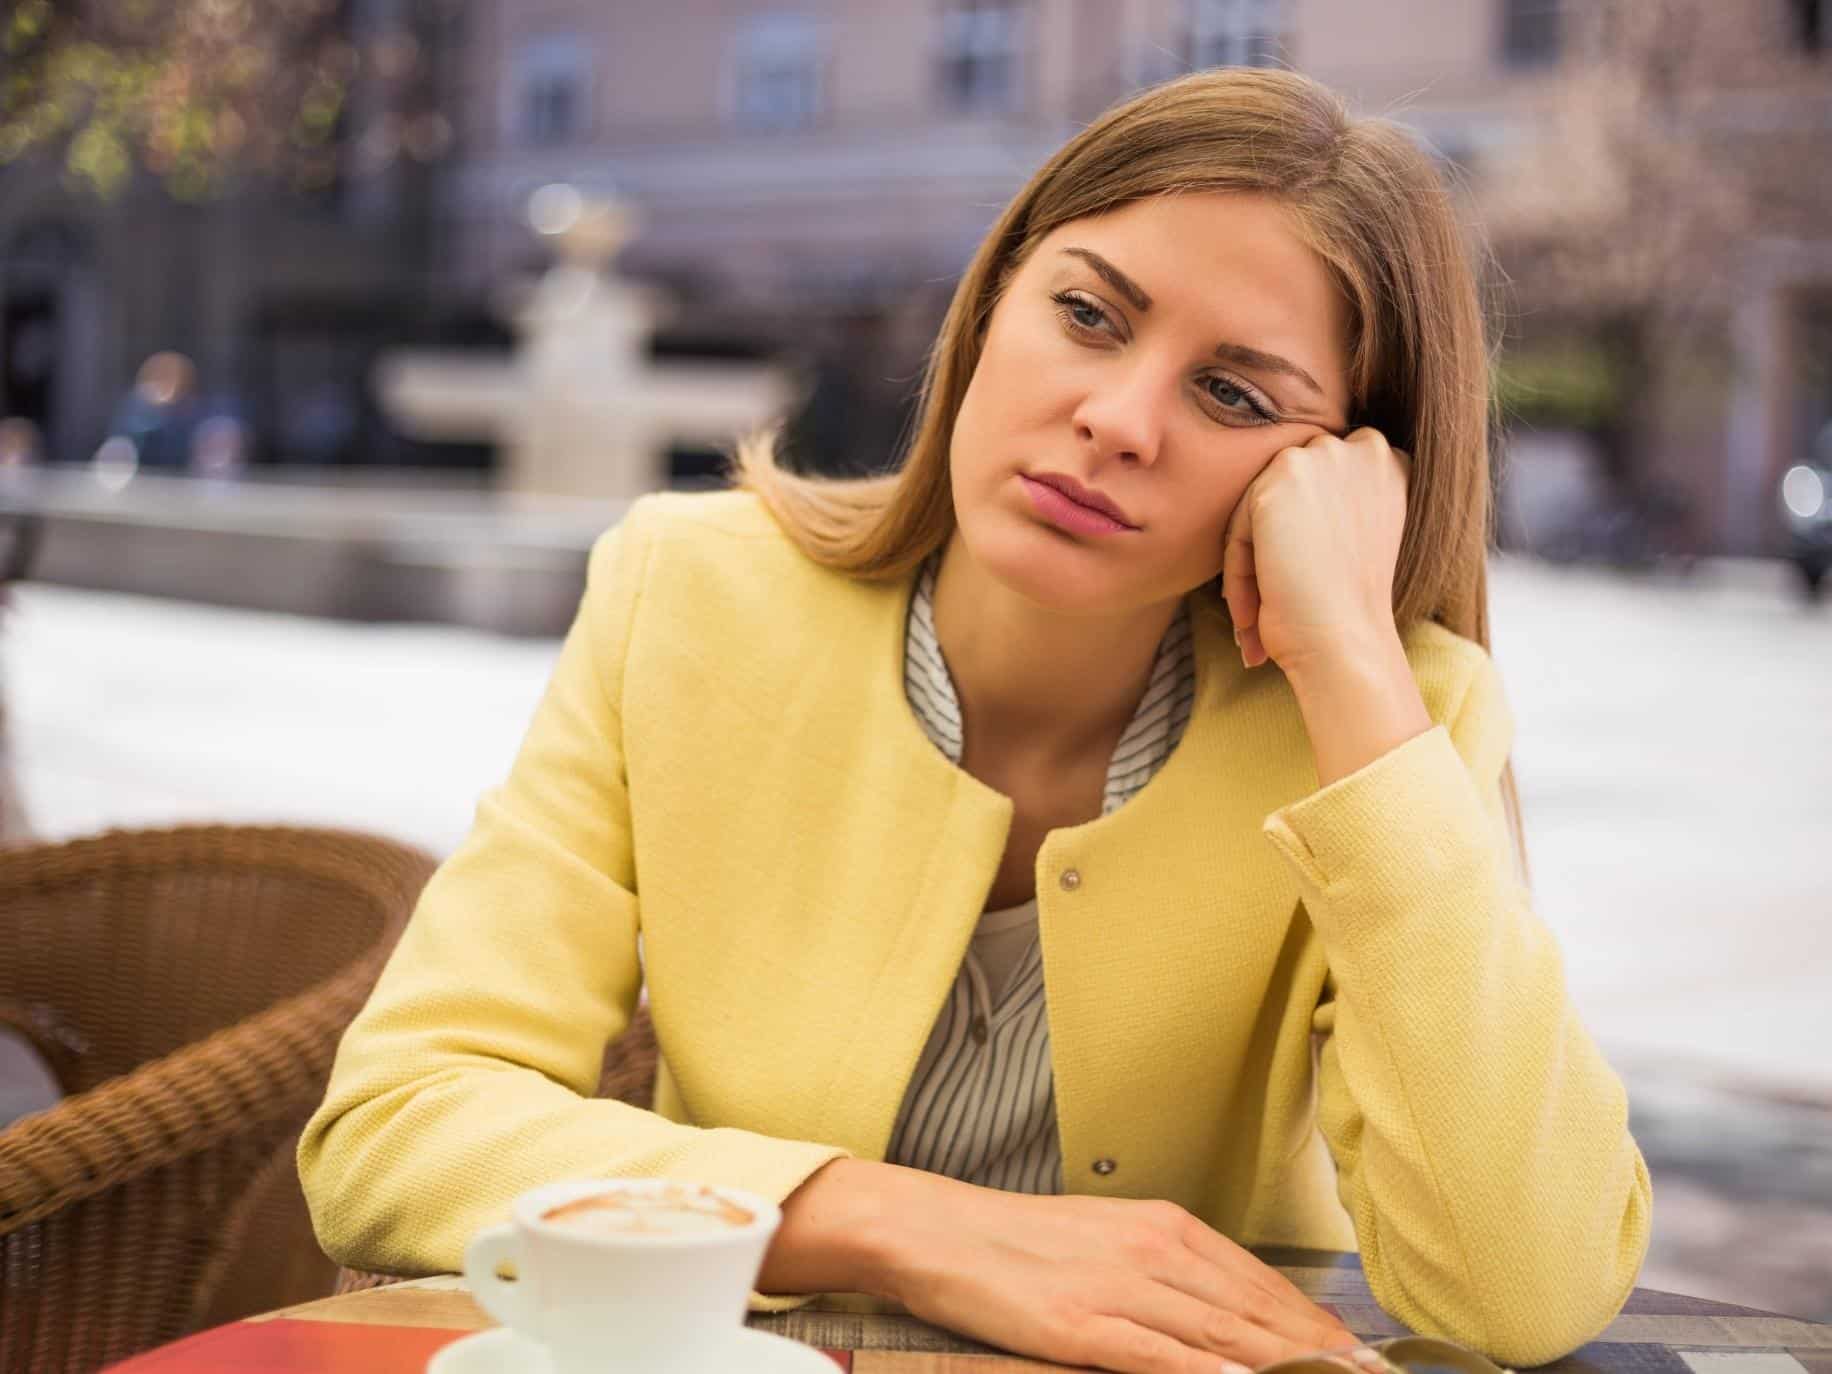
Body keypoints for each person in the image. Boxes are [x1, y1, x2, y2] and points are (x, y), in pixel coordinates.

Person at [299, 68, 1651, 1374]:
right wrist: (898, 1225)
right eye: (1090, 314)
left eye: (1237, 395)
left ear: (1345, 467)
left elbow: (1523, 1290)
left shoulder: (1389, 719)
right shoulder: (689, 591)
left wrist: (1354, 665)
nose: (1117, 421)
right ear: (997, 294)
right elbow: (396, 1125)